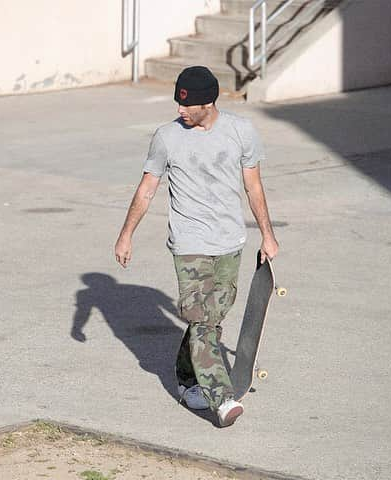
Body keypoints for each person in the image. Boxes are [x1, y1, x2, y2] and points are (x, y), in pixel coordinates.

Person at [114, 66, 279, 428]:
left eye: (187, 105)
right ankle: (221, 398)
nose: (179, 110)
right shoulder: (166, 138)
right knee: (202, 318)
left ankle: (187, 378)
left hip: (230, 241)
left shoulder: (241, 132)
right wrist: (127, 234)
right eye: (177, 103)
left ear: (208, 102)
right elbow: (146, 189)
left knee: (212, 319)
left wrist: (267, 234)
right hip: (189, 243)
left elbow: (254, 187)